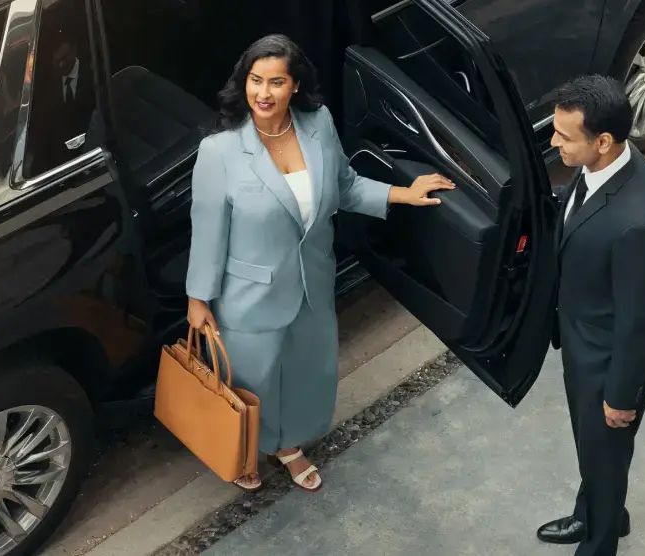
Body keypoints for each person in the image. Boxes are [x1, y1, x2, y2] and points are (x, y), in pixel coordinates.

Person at [184, 34, 453, 492]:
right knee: (254, 381)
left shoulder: (318, 124)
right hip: (248, 294)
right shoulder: (220, 152)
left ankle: (287, 445)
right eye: (254, 81)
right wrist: (198, 297)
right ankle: (246, 448)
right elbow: (208, 230)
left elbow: (344, 186)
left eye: (275, 82)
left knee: (308, 371)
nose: (263, 93)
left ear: (295, 86)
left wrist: (400, 193)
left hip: (312, 280)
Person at [535, 75, 645, 556]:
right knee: (598, 458)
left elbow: (639, 320)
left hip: (609, 365)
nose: (554, 144)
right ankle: (594, 512)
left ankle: (598, 543)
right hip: (583, 343)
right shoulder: (606, 166)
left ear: (604, 141)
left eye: (563, 136)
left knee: (606, 459)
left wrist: (621, 396)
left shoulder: (637, 225)